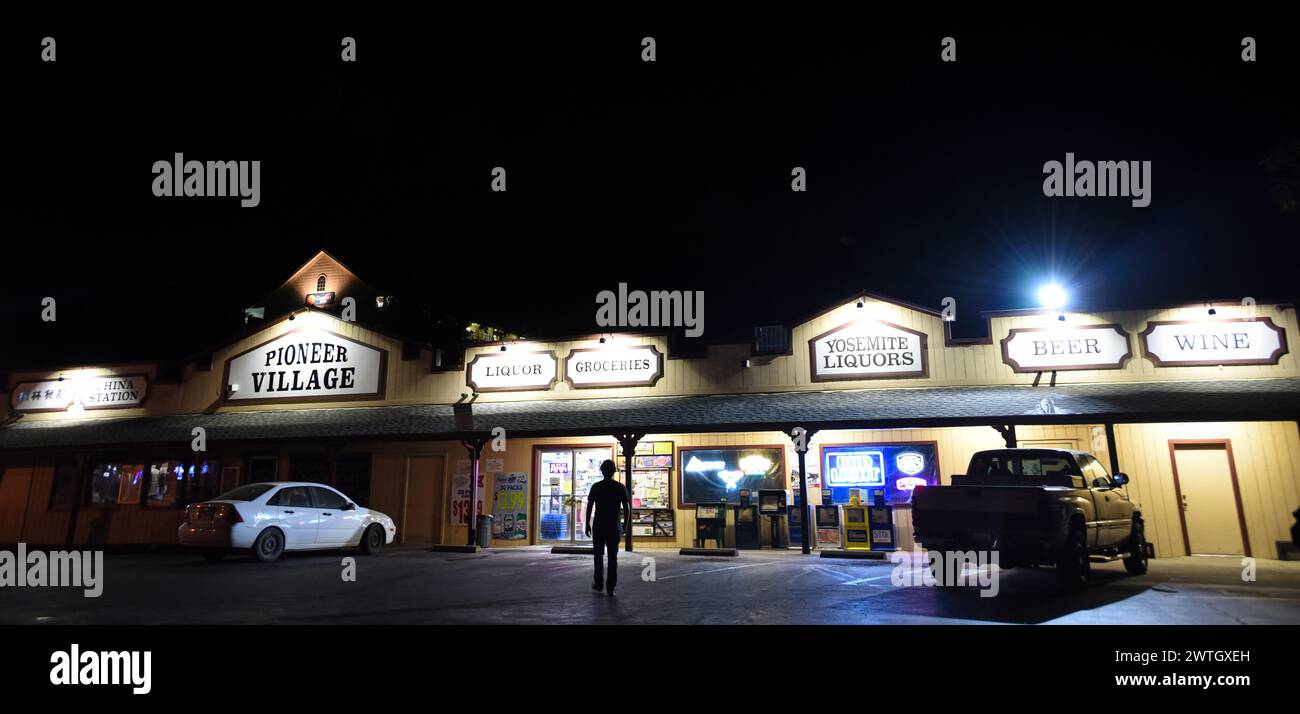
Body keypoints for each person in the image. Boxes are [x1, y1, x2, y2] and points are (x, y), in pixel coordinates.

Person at [585, 459, 629, 596]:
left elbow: (590, 506)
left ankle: (598, 584)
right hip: (613, 526)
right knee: (612, 558)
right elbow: (626, 508)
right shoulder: (619, 487)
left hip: (599, 525)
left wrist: (587, 523)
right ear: (614, 471)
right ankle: (611, 587)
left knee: (598, 556)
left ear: (602, 471)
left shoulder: (596, 486)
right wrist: (625, 525)